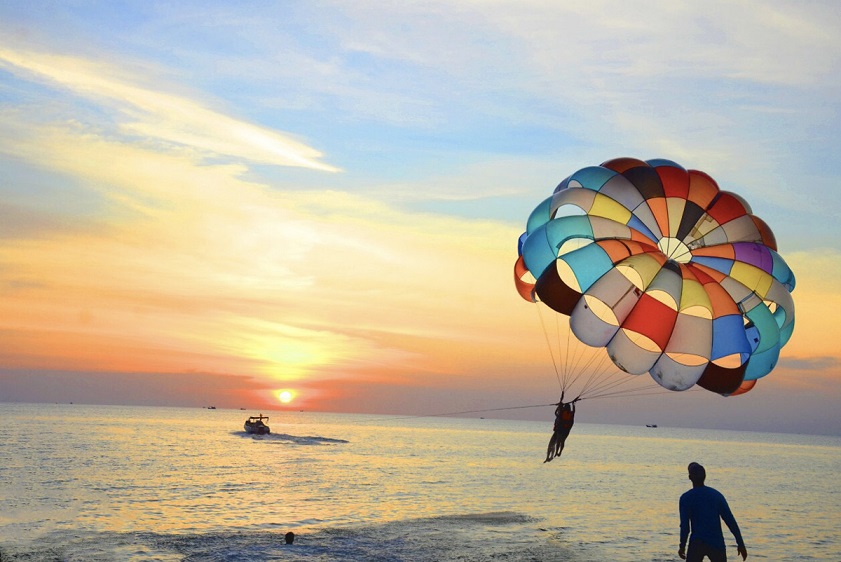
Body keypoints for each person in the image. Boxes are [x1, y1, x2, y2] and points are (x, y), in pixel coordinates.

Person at [678, 462, 747, 561]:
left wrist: (682, 546)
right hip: (716, 543)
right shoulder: (716, 495)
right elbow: (730, 521)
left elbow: (685, 527)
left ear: (690, 477)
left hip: (697, 543)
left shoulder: (686, 498)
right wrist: (740, 543)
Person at [544, 392, 576, 463]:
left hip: (561, 430)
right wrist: (573, 404)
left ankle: (554, 454)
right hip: (562, 431)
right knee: (556, 442)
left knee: (557, 442)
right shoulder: (567, 413)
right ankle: (551, 456)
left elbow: (559, 409)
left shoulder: (564, 413)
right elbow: (572, 411)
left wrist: (561, 401)